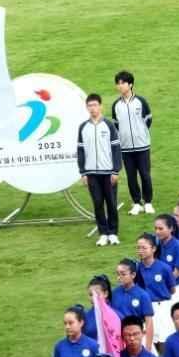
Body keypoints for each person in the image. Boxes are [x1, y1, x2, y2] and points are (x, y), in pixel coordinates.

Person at [76, 93, 123, 246]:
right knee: (97, 203)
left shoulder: (109, 125)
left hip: (108, 172)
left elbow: (116, 149)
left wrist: (116, 171)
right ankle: (103, 233)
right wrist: (83, 172)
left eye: (95, 105)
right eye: (90, 106)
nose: (93, 108)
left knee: (111, 202)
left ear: (100, 106)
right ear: (86, 107)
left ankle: (113, 232)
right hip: (91, 173)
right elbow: (81, 151)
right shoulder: (83, 127)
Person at [111, 71, 154, 216]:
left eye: (122, 83)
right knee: (131, 176)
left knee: (145, 174)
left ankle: (148, 202)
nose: (120, 86)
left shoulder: (141, 101)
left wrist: (140, 133)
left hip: (142, 145)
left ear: (130, 84)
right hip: (126, 147)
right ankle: (136, 203)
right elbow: (116, 124)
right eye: (118, 83)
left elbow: (148, 119)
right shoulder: (116, 105)